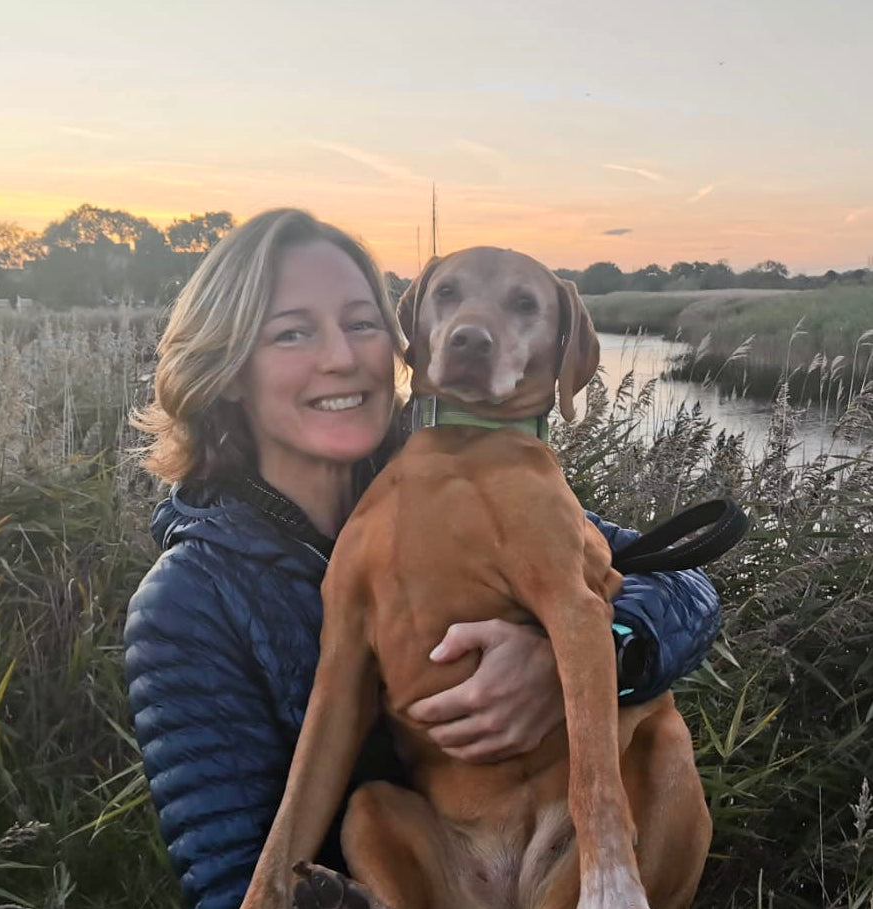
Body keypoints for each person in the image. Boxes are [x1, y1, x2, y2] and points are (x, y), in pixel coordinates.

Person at [124, 208, 720, 909]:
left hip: (572, 846)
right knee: (366, 812)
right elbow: (223, 870)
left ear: (398, 343)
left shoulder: (476, 480)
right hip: (426, 861)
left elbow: (679, 579)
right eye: (291, 332)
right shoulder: (189, 601)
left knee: (663, 732)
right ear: (227, 370)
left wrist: (598, 654)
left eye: (361, 323)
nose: (340, 357)